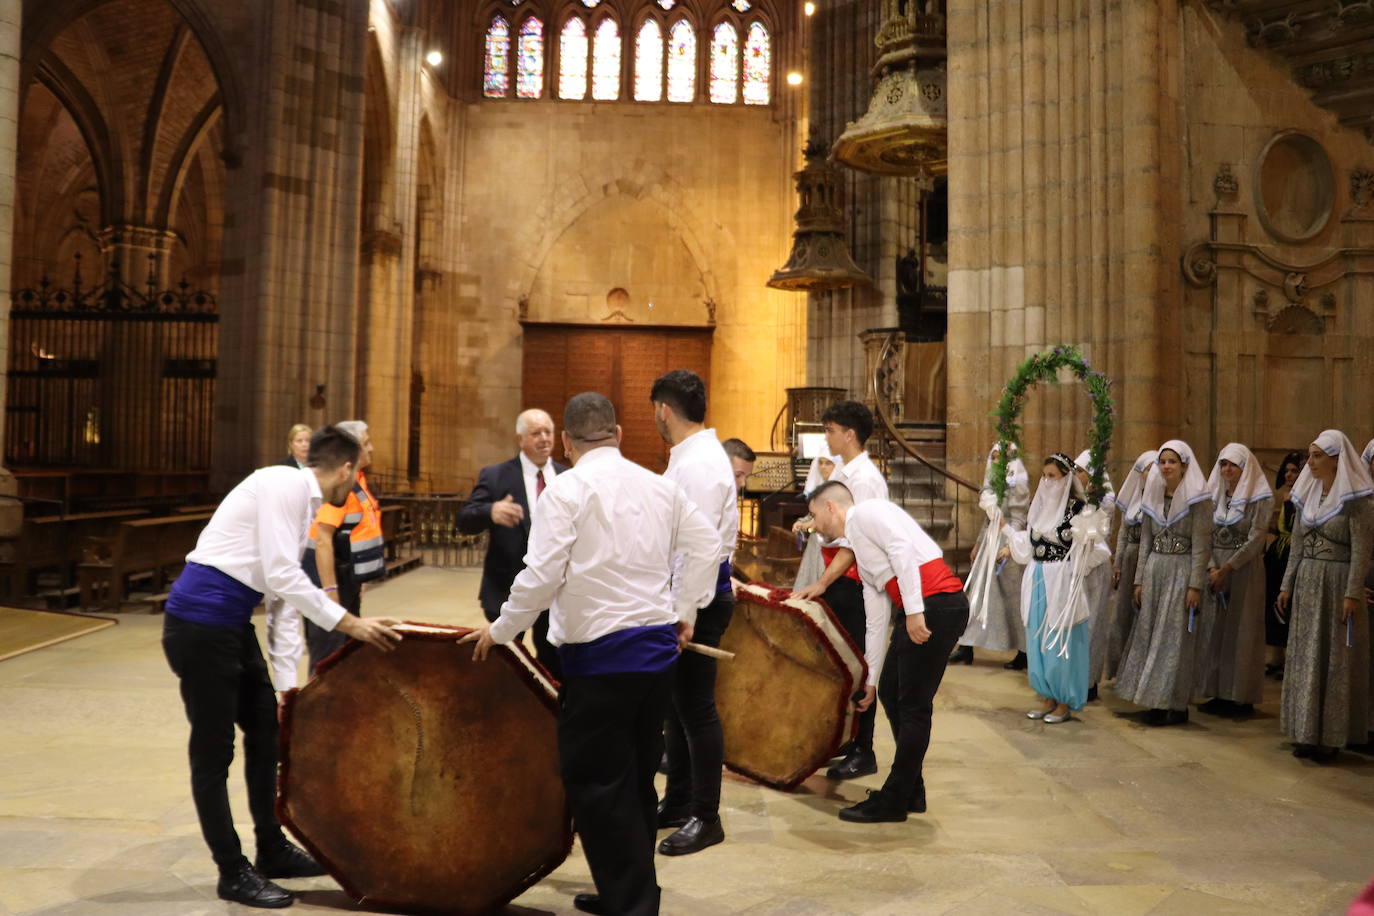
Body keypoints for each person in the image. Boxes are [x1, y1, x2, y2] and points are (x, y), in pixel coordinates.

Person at [460, 393, 719, 916]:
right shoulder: (658, 486)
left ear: (566, 443)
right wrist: (685, 607)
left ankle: (632, 905)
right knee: (637, 779)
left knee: (597, 785)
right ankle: (629, 893)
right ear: (619, 434)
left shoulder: (566, 490)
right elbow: (709, 543)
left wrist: (503, 629)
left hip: (602, 662)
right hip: (656, 658)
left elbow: (540, 575)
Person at [161, 426, 402, 909]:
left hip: (230, 624)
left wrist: (286, 684)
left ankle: (271, 850)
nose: (354, 486)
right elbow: (280, 574)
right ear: (348, 469)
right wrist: (347, 622)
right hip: (201, 625)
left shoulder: (302, 500)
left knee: (267, 733)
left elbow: (278, 598)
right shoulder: (282, 485)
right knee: (214, 753)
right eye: (357, 475)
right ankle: (232, 871)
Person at [805, 482, 967, 823]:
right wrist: (872, 680)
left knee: (913, 706)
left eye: (814, 514)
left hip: (937, 604)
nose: (813, 523)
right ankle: (911, 789)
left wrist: (913, 611)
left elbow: (901, 548)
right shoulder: (859, 546)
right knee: (892, 693)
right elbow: (876, 616)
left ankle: (895, 799)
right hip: (927, 605)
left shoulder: (867, 512)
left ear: (831, 507)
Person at [650, 370, 739, 856]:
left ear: (663, 409)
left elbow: (702, 549)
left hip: (700, 598)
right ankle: (680, 800)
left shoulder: (701, 464)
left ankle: (707, 816)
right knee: (676, 706)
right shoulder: (692, 457)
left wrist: (683, 611)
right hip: (686, 597)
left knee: (697, 709)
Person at [792, 400, 889, 781]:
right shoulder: (847, 471)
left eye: (830, 430)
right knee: (844, 660)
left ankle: (864, 748)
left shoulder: (865, 477)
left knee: (861, 662)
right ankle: (849, 740)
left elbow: (858, 538)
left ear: (849, 434)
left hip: (856, 579)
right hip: (842, 575)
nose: (826, 436)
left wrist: (822, 582)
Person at [1277, 430, 1374, 761]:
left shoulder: (1356, 500)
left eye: (1318, 456)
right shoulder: (1309, 495)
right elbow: (1298, 546)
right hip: (1307, 582)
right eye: (1311, 455)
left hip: (1336, 583)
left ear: (1336, 459)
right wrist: (1286, 584)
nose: (1311, 462)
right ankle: (1305, 730)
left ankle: (1331, 736)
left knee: (1334, 658)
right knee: (1306, 655)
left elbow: (1361, 551)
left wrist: (1351, 592)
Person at [457, 409, 568, 679]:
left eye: (548, 432)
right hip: (506, 588)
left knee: (553, 667)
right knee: (505, 667)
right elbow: (464, 521)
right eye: (535, 433)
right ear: (520, 439)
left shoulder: (568, 477)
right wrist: (489, 511)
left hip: (554, 594)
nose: (544, 439)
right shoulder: (496, 476)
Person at [1115, 440, 1214, 726]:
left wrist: (1195, 585)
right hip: (1156, 570)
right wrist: (1139, 580)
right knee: (1149, 634)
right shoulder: (1154, 495)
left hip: (1181, 572)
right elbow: (1146, 539)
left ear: (1185, 465)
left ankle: (1174, 703)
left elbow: (1201, 545)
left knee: (1174, 639)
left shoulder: (1199, 498)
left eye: (1172, 461)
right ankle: (1152, 699)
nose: (1166, 466)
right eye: (1163, 461)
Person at [1005, 453, 1108, 724]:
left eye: (1053, 476)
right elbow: (1028, 546)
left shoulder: (1077, 510)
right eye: (1045, 476)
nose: (1048, 482)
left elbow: (1097, 550)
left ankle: (1064, 700)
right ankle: (1047, 696)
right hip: (1038, 575)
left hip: (1060, 579)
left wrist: (1085, 541)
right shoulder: (1038, 508)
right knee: (1038, 639)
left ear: (1066, 478)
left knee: (1059, 639)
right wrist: (1005, 535)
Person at [1195, 443, 1272, 719]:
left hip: (1244, 570)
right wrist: (1212, 567)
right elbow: (1206, 532)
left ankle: (1240, 696)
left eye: (1233, 465)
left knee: (1242, 631)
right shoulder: (1215, 495)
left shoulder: (1261, 497)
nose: (1227, 470)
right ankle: (1218, 691)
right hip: (1215, 569)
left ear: (1245, 467)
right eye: (1223, 464)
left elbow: (1256, 538)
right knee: (1216, 631)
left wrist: (1227, 567)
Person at [302, 420, 386, 672]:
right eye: (366, 443)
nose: (371, 448)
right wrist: (330, 594)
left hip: (346, 579)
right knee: (328, 657)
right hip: (330, 581)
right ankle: (315, 708)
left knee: (345, 654)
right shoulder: (340, 486)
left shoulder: (357, 481)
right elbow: (322, 539)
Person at [952, 442, 1029, 668]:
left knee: (1013, 600)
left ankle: (1024, 652)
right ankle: (966, 646)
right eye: (993, 457)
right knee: (977, 596)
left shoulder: (1017, 485)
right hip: (989, 543)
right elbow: (988, 520)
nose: (996, 461)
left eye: (1001, 457)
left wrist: (1011, 546)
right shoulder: (993, 485)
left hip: (1007, 543)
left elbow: (1018, 518)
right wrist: (978, 543)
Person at [265, 423, 313, 688]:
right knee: (285, 603)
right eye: (300, 441)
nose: (305, 445)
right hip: (288, 539)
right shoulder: (283, 470)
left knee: (306, 594)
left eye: (308, 441)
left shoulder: (316, 472)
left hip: (310, 539)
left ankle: (304, 638)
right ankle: (283, 663)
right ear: (290, 445)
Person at [1107, 450, 1158, 681]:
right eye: (1145, 469)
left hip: (1150, 561)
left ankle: (1140, 670)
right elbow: (1124, 533)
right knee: (1122, 614)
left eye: (1151, 469)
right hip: (1129, 558)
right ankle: (1120, 668)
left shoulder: (1162, 498)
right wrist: (1117, 563)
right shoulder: (1134, 499)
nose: (1148, 473)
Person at [1074, 448, 1116, 696]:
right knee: (1076, 625)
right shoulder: (1074, 496)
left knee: (1093, 624)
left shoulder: (1105, 498)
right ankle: (1074, 678)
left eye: (1080, 471)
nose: (1077, 475)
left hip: (1096, 565)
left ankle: (1089, 682)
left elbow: (1098, 528)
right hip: (1076, 564)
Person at [1263, 451, 1304, 679]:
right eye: (1287, 471)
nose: (1289, 475)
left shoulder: (1304, 495)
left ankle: (1290, 657)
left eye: (1294, 470)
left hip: (1292, 555)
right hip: (1278, 555)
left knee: (1289, 604)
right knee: (1273, 604)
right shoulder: (1285, 494)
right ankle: (1275, 656)